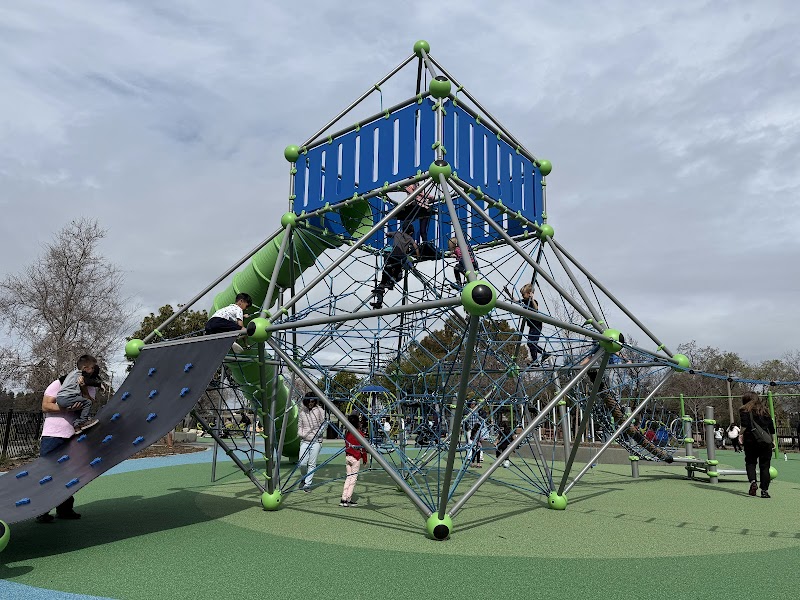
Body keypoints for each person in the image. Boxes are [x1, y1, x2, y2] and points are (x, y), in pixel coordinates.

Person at [37, 375, 96, 522]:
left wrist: (83, 388)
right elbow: (45, 406)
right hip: (53, 435)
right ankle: (42, 511)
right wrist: (65, 407)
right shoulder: (58, 384)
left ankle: (65, 510)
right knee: (48, 472)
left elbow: (89, 402)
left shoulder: (90, 386)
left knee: (69, 473)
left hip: (74, 435)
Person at [371, 224, 419, 309]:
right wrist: (418, 256)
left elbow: (388, 234)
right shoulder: (410, 238)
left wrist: (389, 234)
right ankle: (387, 287)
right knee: (395, 269)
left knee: (386, 270)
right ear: (411, 232)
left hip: (394, 253)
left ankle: (382, 292)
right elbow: (415, 246)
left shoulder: (397, 233)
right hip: (401, 257)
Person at [739, 391, 776, 498]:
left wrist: (740, 435)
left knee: (750, 462)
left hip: (750, 440)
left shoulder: (744, 410)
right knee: (765, 466)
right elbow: (771, 428)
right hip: (765, 442)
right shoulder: (765, 410)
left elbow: (744, 425)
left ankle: (753, 482)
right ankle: (764, 490)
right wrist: (772, 440)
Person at [55, 355, 100, 433]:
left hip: (61, 398)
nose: (93, 370)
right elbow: (88, 381)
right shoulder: (80, 375)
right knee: (87, 402)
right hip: (67, 398)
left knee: (80, 405)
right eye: (92, 368)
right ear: (85, 368)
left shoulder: (71, 374)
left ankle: (77, 426)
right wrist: (99, 384)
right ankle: (82, 422)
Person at [297, 392, 325, 492]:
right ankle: (304, 477)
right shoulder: (302, 412)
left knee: (312, 464)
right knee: (302, 463)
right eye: (309, 401)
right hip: (305, 440)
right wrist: (301, 434)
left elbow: (324, 424)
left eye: (312, 401)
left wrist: (318, 433)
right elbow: (299, 425)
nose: (311, 403)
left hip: (316, 441)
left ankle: (307, 484)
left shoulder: (320, 410)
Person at [341, 413, 368, 507]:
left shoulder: (348, 433)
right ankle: (348, 498)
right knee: (353, 479)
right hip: (355, 458)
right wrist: (365, 459)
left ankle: (343, 498)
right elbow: (363, 447)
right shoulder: (359, 433)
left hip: (348, 457)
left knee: (348, 477)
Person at [518, 283, 549, 364]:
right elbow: (516, 301)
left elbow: (536, 309)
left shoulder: (533, 301)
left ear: (529, 293)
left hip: (537, 325)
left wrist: (532, 299)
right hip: (532, 326)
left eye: (523, 294)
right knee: (530, 343)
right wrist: (509, 295)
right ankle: (543, 354)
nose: (522, 296)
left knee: (531, 343)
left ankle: (536, 359)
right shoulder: (525, 301)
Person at [464, 400, 483, 468]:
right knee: (470, 443)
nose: (473, 405)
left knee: (478, 445)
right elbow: (465, 419)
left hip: (476, 428)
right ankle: (470, 457)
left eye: (474, 404)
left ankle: (479, 458)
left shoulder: (477, 411)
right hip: (470, 429)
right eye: (472, 404)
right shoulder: (467, 410)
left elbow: (480, 418)